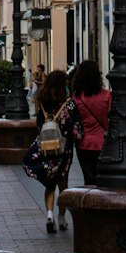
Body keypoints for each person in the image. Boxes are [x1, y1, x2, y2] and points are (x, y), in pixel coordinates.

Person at [22, 69, 73, 232]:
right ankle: (62, 217)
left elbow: (38, 124)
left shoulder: (42, 101)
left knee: (50, 183)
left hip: (45, 147)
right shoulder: (68, 103)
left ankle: (49, 215)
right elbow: (72, 127)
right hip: (63, 148)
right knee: (63, 182)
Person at [70, 60, 111, 185]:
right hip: (103, 142)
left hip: (83, 143)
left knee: (88, 179)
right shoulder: (107, 95)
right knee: (103, 179)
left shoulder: (76, 98)